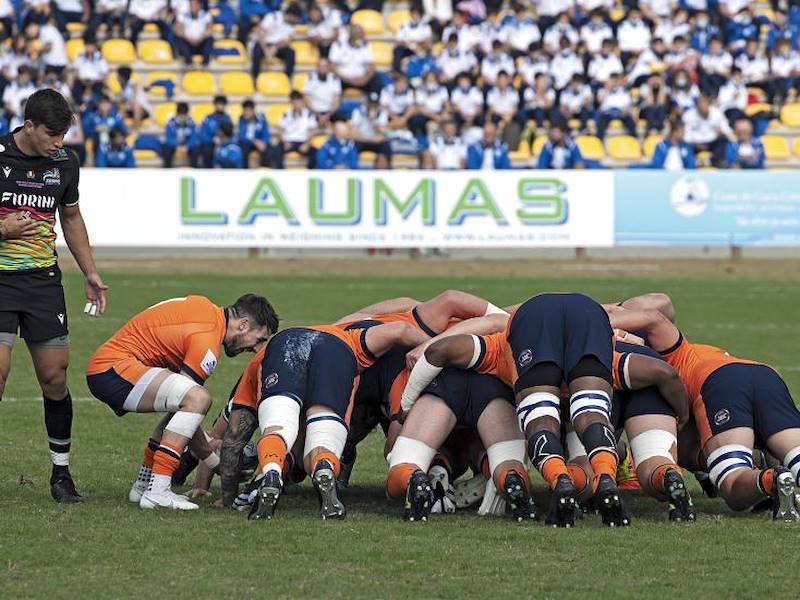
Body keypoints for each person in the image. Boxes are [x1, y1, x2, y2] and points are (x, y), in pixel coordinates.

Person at [401, 293, 631, 527]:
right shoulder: (608, 351)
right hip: (589, 313)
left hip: (533, 319)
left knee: (540, 417)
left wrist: (406, 404)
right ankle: (606, 479)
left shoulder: (497, 349)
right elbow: (650, 367)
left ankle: (561, 480)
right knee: (591, 413)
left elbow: (439, 350)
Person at [0, 89, 108, 503]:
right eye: (51, 134)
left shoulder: (64, 163)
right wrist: (3, 230)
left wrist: (90, 272)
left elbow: (71, 216)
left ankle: (61, 474)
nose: (58, 143)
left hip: (42, 283)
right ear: (29, 126)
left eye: (63, 135)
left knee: (55, 378)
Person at [607, 303, 800, 520]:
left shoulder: (665, 353)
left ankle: (773, 479)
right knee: (796, 455)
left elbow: (655, 312)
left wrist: (591, 320)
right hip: (765, 376)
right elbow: (655, 312)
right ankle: (778, 477)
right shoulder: (685, 348)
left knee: (732, 482)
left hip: (719, 384)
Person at [86, 294, 278, 510]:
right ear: (243, 325)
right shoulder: (207, 340)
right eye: (259, 340)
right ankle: (158, 490)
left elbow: (179, 415)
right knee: (198, 398)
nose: (256, 349)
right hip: (113, 369)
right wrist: (216, 463)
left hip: (109, 367)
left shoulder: (205, 310)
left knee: (186, 406)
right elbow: (190, 407)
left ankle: (143, 483)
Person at [251, 3, 298, 81]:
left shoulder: (291, 26)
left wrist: (275, 48)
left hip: (278, 46)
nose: (297, 20)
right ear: (291, 15)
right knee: (257, 53)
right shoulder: (273, 16)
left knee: (291, 53)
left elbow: (286, 40)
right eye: (296, 18)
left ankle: (287, 79)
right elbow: (260, 33)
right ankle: (255, 78)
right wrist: (266, 50)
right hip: (264, 43)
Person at [682, 95, 732, 168]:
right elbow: (686, 136)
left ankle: (711, 161)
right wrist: (695, 143)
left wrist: (722, 132)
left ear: (709, 105)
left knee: (724, 140)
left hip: (712, 142)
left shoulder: (717, 113)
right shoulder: (688, 116)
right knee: (684, 145)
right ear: (697, 107)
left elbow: (728, 131)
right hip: (695, 143)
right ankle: (692, 163)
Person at [275, 90, 318, 168]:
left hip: (302, 141)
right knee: (276, 149)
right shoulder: (285, 115)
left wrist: (307, 144)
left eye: (298, 101)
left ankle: (311, 172)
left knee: (315, 152)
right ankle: (279, 171)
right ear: (291, 102)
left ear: (301, 101)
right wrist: (285, 142)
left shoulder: (309, 115)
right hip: (288, 141)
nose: (296, 104)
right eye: (294, 101)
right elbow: (280, 131)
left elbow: (312, 131)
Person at [349, 92, 392, 169]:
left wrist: (373, 121)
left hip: (375, 141)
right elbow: (353, 132)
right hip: (361, 140)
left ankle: (386, 170)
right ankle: (353, 169)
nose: (372, 106)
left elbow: (384, 134)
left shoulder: (382, 113)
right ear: (367, 103)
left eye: (374, 104)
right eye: (371, 104)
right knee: (352, 146)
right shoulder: (358, 111)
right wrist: (367, 139)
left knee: (386, 145)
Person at [302, 58, 342, 127]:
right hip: (313, 111)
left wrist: (328, 115)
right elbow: (306, 98)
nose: (322, 68)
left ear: (328, 67)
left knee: (341, 123)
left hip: (330, 111)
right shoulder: (310, 78)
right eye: (320, 66)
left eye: (325, 66)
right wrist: (317, 114)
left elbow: (337, 99)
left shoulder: (335, 79)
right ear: (317, 67)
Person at [237, 100, 276, 168]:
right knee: (242, 148)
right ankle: (244, 170)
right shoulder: (241, 120)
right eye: (245, 110)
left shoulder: (261, 119)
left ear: (253, 111)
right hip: (247, 143)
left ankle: (264, 168)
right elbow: (241, 136)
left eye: (248, 110)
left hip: (259, 143)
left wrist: (264, 142)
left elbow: (266, 133)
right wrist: (254, 141)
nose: (246, 113)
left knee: (269, 149)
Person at [174, 0, 214, 67]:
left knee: (210, 39)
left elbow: (210, 30)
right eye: (190, 5)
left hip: (201, 43)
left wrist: (200, 38)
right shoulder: (183, 15)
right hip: (188, 43)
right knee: (179, 39)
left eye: (194, 5)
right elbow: (178, 31)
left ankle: (205, 63)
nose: (192, 7)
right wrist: (189, 39)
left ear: (199, 5)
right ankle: (189, 62)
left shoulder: (206, 15)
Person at [198, 95, 232, 168]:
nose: (220, 106)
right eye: (219, 104)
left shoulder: (227, 119)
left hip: (224, 143)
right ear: (215, 105)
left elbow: (230, 134)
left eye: (222, 104)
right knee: (207, 149)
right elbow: (203, 134)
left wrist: (223, 141)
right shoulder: (208, 118)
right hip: (210, 143)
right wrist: (212, 140)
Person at [162, 102, 199, 168]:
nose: (183, 117)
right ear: (177, 114)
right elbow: (169, 138)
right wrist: (177, 146)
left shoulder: (191, 122)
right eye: (181, 115)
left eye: (185, 115)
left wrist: (187, 146)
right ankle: (167, 169)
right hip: (175, 146)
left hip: (187, 146)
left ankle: (194, 169)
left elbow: (193, 137)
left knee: (195, 149)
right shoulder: (171, 122)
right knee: (166, 148)